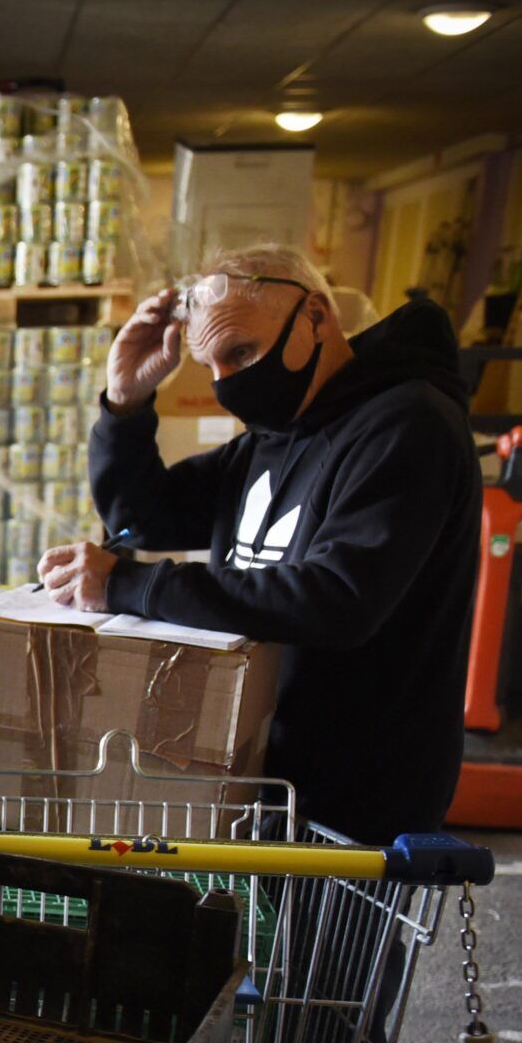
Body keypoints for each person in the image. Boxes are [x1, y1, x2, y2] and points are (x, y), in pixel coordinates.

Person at [41, 244, 480, 845]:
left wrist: (129, 585)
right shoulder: (275, 436)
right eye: (211, 364)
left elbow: (338, 598)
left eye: (242, 352)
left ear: (315, 317)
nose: (227, 382)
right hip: (263, 771)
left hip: (357, 793)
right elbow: (146, 519)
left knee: (321, 918)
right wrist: (125, 405)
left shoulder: (408, 427)